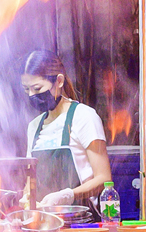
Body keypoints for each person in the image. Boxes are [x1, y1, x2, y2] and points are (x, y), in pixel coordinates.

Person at [19, 50, 111, 209]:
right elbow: (30, 181)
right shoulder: (33, 126)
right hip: (45, 224)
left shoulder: (83, 116)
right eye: (27, 90)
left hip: (81, 225)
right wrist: (26, 196)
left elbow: (103, 178)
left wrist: (68, 195)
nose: (32, 95)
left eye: (37, 88)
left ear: (59, 81)